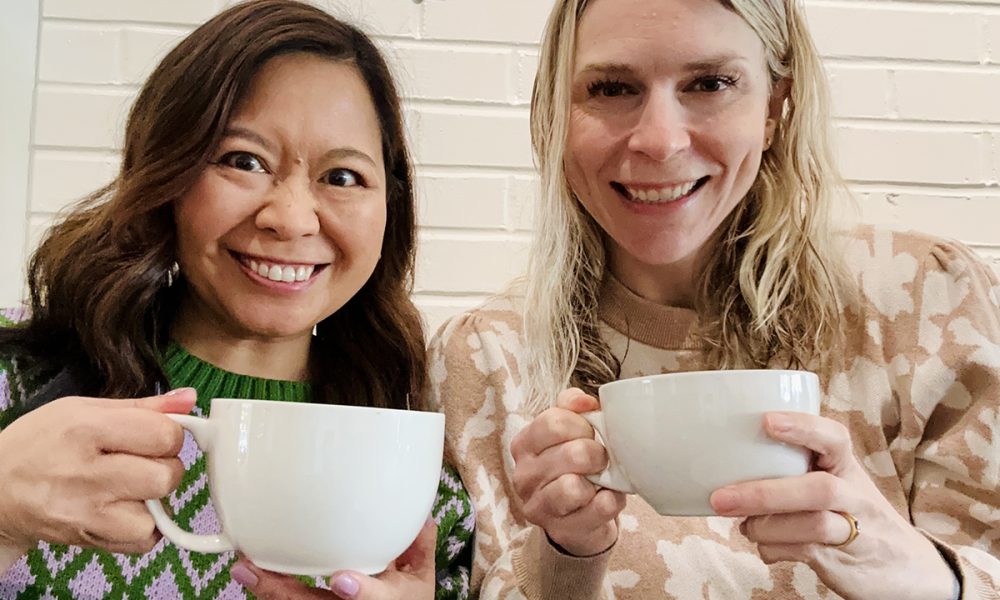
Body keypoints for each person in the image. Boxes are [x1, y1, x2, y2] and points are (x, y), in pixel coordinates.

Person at [427, 0, 1000, 598]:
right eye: (612, 88)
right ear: (555, 115)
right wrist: (567, 554)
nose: (660, 141)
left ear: (775, 109)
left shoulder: (924, 301)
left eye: (711, 83)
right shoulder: (488, 358)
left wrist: (899, 564)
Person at [0, 1, 473, 599]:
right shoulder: (16, 388)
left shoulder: (422, 499)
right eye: (243, 161)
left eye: (343, 176)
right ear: (166, 177)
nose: (292, 219)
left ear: (390, 209)